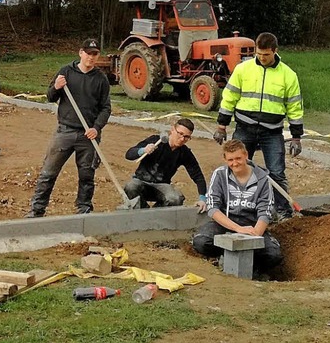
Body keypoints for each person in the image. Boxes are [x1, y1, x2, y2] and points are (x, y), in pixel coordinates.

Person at [212, 32, 303, 220]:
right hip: (245, 128)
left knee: (277, 173)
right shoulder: (243, 70)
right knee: (237, 168)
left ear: (275, 51)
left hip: (272, 132)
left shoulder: (288, 75)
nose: (261, 58)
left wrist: (296, 137)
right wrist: (221, 125)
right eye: (258, 54)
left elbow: (294, 107)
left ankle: (284, 213)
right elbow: (229, 97)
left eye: (266, 55)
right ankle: (232, 208)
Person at [25, 38, 111, 217]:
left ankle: (83, 209)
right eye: (88, 53)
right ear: (81, 53)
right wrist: (56, 87)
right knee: (48, 173)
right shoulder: (66, 72)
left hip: (88, 135)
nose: (91, 57)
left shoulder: (101, 79)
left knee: (87, 176)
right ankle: (36, 210)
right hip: (65, 131)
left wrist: (96, 127)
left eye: (95, 54)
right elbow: (50, 97)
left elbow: (105, 108)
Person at [192, 139, 283, 273]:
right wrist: (237, 229)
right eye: (230, 160)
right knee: (201, 241)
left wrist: (255, 235)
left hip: (252, 224)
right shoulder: (220, 175)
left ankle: (254, 269)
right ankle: (222, 257)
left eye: (238, 158)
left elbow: (266, 211)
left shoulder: (263, 178)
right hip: (224, 223)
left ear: (246, 155)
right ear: (225, 159)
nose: (235, 163)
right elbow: (213, 207)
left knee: (273, 255)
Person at [124, 118, 208, 212]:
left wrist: (202, 198)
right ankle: (143, 212)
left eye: (186, 137)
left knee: (176, 199)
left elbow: (198, 176)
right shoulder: (155, 141)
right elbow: (129, 155)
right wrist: (143, 150)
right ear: (172, 130)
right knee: (130, 187)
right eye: (180, 133)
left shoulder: (184, 153)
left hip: (162, 185)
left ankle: (156, 215)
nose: (182, 139)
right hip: (141, 181)